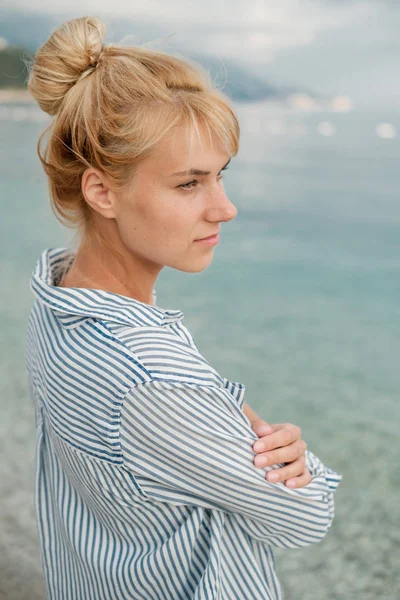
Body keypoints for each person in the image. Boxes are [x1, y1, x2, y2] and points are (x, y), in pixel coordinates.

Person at [24, 16, 342, 600]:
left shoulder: (56, 296)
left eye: (220, 176)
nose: (225, 209)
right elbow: (305, 518)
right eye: (189, 184)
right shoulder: (155, 382)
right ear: (101, 191)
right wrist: (306, 469)